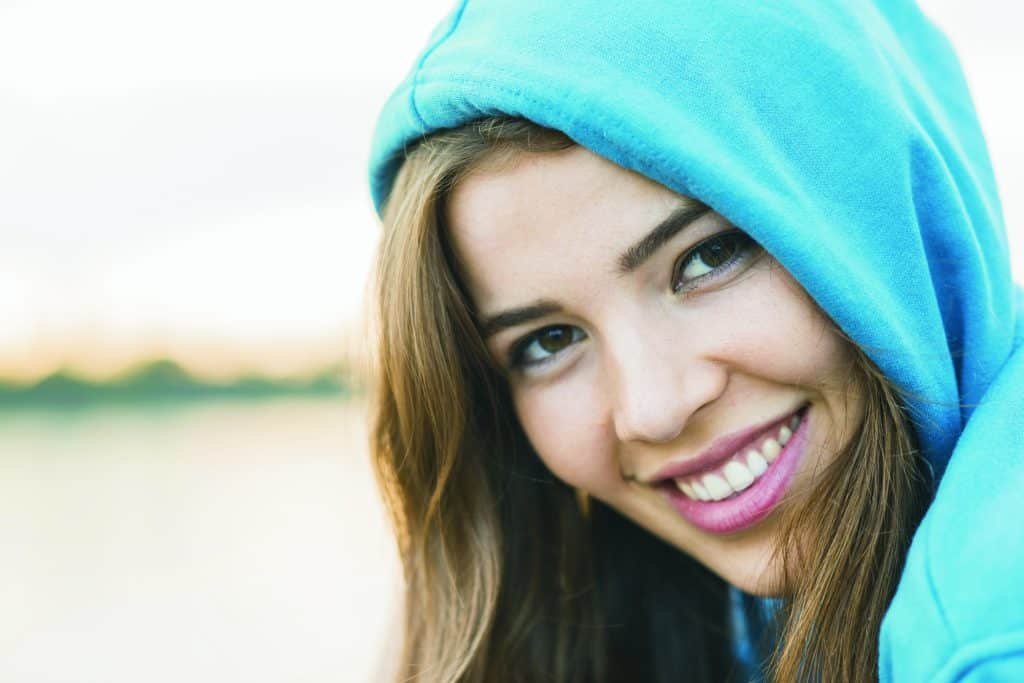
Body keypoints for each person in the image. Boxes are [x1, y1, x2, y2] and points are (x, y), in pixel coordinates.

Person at [365, 2, 1024, 681]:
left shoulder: (992, 638)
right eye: (550, 340)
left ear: (877, 205)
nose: (654, 408)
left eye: (707, 258)